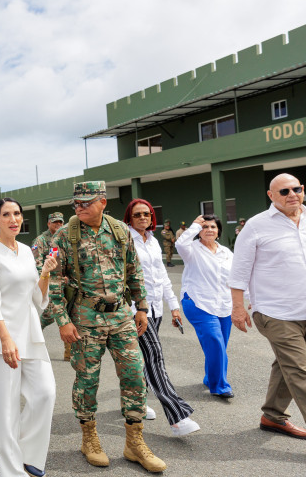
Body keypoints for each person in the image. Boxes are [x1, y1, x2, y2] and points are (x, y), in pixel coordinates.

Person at [47, 181, 165, 472]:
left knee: (135, 375)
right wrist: (62, 321)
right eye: (76, 203)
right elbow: (54, 283)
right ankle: (89, 438)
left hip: (121, 316)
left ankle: (134, 442)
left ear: (102, 201)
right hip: (85, 318)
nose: (79, 207)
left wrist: (141, 307)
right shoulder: (65, 235)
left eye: (85, 202)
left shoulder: (120, 230)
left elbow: (133, 270)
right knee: (87, 380)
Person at [0, 197, 57, 477]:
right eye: (6, 214)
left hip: (29, 333)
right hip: (1, 338)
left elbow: (37, 298)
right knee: (6, 410)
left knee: (45, 393)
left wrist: (45, 274)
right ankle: (11, 471)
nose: (13, 219)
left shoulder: (25, 250)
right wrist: (5, 338)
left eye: (17, 214)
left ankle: (28, 454)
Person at [230, 173, 306, 439]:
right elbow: (239, 271)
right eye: (284, 191)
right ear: (271, 196)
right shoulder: (256, 225)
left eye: (296, 189)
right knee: (300, 370)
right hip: (276, 312)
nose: (292, 194)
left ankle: (272, 416)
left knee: (288, 366)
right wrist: (238, 307)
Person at [124, 199, 200, 436]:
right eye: (137, 214)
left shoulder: (153, 240)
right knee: (154, 357)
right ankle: (177, 417)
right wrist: (134, 308)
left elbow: (162, 277)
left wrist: (174, 306)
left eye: (147, 214)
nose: (143, 218)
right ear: (129, 218)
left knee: (141, 360)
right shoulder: (125, 240)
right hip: (136, 310)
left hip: (156, 309)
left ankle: (134, 404)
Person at [175, 213, 235, 399]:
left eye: (213, 227)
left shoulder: (226, 252)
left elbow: (236, 277)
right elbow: (180, 244)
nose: (209, 230)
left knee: (219, 346)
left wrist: (249, 300)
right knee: (215, 342)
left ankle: (210, 377)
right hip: (198, 302)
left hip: (224, 304)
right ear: (199, 231)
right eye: (205, 227)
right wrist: (194, 225)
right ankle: (219, 386)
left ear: (218, 231)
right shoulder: (191, 249)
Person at [33, 211, 71, 360]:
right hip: (50, 284)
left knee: (68, 315)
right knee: (48, 316)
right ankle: (32, 339)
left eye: (60, 222)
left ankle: (69, 352)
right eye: (55, 222)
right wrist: (48, 279)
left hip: (66, 285)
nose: (58, 224)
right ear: (48, 223)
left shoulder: (65, 238)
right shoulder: (41, 240)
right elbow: (37, 264)